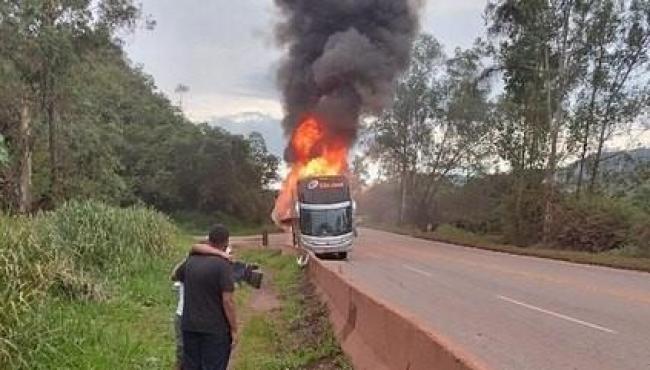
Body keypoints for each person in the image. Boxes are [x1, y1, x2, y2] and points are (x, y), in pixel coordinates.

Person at [172, 225, 238, 370]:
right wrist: (234, 329)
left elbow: (175, 274)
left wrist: (194, 252)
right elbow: (228, 301)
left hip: (189, 326)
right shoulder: (223, 266)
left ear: (208, 240)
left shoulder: (191, 262)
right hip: (215, 330)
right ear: (226, 242)